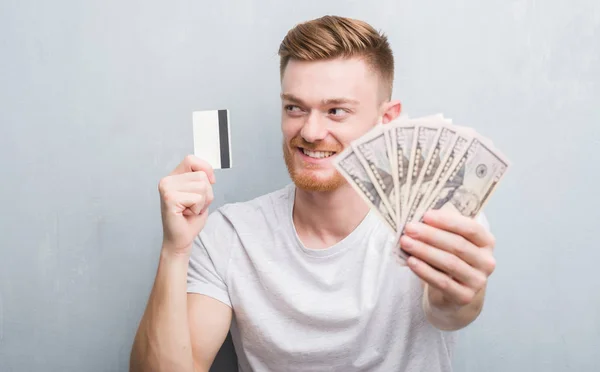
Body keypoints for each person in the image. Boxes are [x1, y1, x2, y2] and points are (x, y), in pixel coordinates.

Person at [130, 15, 497, 372]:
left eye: (336, 111)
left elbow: (450, 311)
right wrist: (174, 251)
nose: (311, 131)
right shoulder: (229, 236)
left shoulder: (438, 218)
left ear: (386, 120)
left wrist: (459, 294)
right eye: (295, 108)